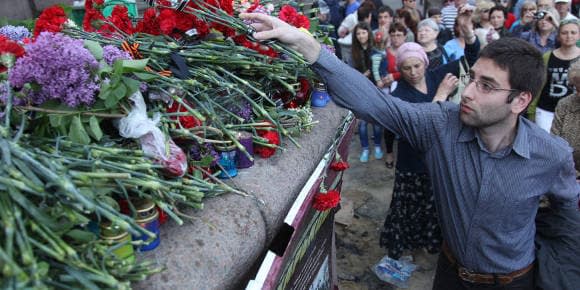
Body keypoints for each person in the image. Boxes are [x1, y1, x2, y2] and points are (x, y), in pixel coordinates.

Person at [241, 5, 579, 290]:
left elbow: (569, 212)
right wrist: (306, 44)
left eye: (487, 86)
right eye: (473, 78)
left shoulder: (552, 154)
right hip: (449, 276)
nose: (470, 92)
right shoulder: (440, 124)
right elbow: (376, 104)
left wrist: (562, 270)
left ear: (520, 100)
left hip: (517, 281)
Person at [531, 18, 580, 131]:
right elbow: (539, 84)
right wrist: (532, 110)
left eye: (573, 32)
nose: (569, 36)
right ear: (558, 35)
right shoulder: (547, 56)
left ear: (579, 35)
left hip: (574, 110)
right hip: (546, 110)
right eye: (564, 32)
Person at [351, 22, 384, 162]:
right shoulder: (353, 53)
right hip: (361, 91)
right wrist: (361, 76)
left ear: (368, 33)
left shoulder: (376, 49)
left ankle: (377, 145)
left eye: (363, 32)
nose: (361, 36)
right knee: (363, 123)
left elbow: (382, 70)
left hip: (376, 90)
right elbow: (350, 74)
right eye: (358, 33)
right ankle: (365, 148)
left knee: (377, 123)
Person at [552, 58, 580, 178]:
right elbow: (554, 144)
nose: (579, 94)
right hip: (566, 174)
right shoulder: (565, 104)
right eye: (577, 88)